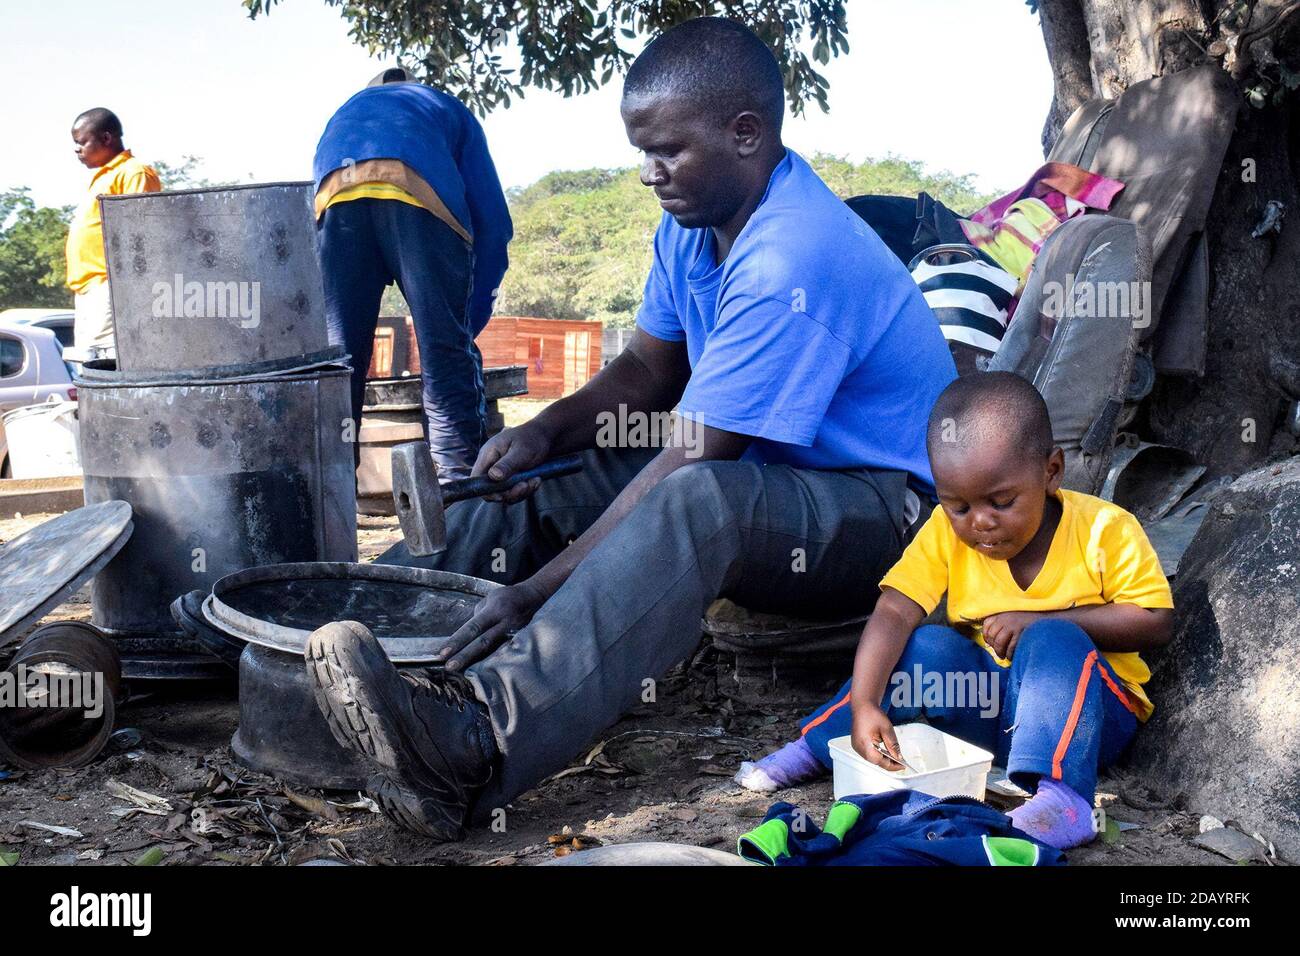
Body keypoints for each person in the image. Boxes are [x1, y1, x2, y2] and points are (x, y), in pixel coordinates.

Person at [303, 17, 956, 841]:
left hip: (884, 514)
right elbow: (649, 371)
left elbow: (694, 459)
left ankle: (474, 738)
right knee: (530, 489)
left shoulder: (797, 253)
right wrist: (548, 433)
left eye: (668, 152)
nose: (649, 173)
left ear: (745, 133)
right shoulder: (691, 229)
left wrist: (539, 590)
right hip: (772, 470)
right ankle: (330, 645)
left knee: (694, 503)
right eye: (641, 151)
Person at [739, 372, 1175, 851]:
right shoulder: (946, 533)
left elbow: (1154, 620)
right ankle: (825, 743)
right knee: (927, 644)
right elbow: (894, 612)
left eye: (1002, 502)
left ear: (1051, 472)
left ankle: (1065, 799)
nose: (980, 522)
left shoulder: (1104, 529)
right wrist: (866, 704)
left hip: (1088, 717)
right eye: (958, 506)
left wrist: (1041, 622)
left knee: (1054, 638)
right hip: (991, 718)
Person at [313, 67, 513, 479]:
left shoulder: (346, 112)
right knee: (443, 357)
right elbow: (492, 222)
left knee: (340, 363)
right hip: (417, 186)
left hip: (336, 195)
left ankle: (329, 501)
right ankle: (458, 497)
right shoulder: (445, 106)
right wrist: (461, 326)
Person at [65, 108, 161, 362]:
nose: (77, 150)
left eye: (81, 142)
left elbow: (139, 235)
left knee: (108, 362)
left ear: (106, 138)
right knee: (90, 366)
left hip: (111, 286)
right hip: (89, 289)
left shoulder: (134, 172)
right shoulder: (103, 177)